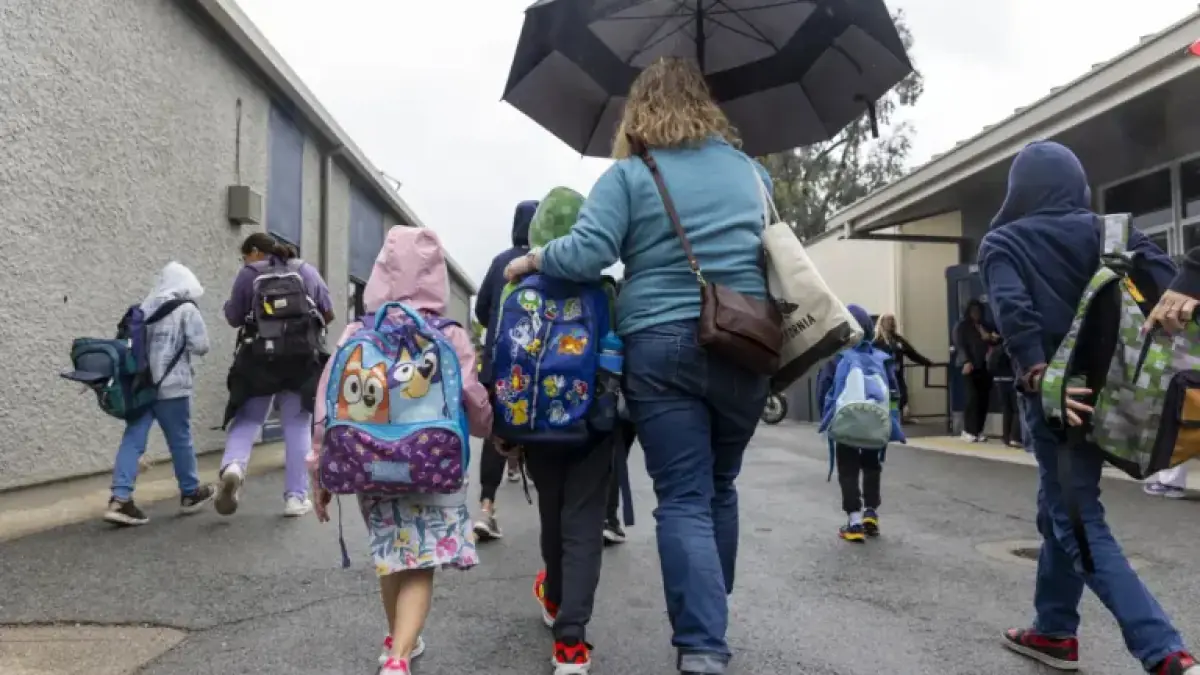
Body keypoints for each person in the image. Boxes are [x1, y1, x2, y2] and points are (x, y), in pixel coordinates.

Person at [503, 56, 770, 675]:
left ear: (639, 111)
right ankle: (710, 612)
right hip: (747, 342)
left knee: (683, 495)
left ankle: (702, 645)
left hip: (661, 343)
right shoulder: (752, 173)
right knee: (720, 486)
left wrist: (534, 258)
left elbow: (587, 252)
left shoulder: (630, 175)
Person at [979, 140, 1197, 675]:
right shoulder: (1112, 232)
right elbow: (1166, 286)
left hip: (1060, 401)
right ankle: (1054, 630)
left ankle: (1165, 652)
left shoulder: (1003, 240)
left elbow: (1013, 310)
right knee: (1058, 507)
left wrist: (1037, 372)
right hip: (1116, 394)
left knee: (1077, 521)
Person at [310, 226, 492, 674]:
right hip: (434, 465)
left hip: (367, 461)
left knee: (391, 555)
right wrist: (489, 428)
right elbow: (472, 398)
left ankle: (398, 639)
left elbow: (327, 403)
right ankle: (398, 658)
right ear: (436, 274)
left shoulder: (359, 331)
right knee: (420, 563)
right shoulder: (448, 334)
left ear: (382, 271)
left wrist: (319, 468)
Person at [218, 233, 334, 518]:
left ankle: (233, 466)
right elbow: (328, 312)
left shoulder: (250, 274)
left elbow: (234, 317)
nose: (244, 261)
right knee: (297, 425)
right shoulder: (305, 270)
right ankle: (295, 498)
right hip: (300, 358)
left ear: (255, 251)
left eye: (244, 255)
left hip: (259, 357)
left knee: (247, 419)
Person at [104, 262, 215, 526]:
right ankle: (190, 493)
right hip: (173, 386)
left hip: (142, 385)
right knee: (180, 440)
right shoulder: (186, 309)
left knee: (133, 439)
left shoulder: (145, 307)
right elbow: (201, 346)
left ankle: (119, 499)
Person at [472, 200, 539, 540]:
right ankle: (554, 518)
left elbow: (481, 310)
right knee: (543, 431)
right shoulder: (547, 261)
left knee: (496, 434)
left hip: (499, 363)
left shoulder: (501, 262)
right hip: (539, 366)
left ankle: (486, 508)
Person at [817, 304, 900, 543]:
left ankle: (854, 521)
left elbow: (824, 390)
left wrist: (826, 419)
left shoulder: (838, 358)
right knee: (872, 465)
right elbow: (894, 392)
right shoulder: (881, 358)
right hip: (875, 423)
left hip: (846, 424)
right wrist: (892, 421)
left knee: (848, 468)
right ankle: (871, 513)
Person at [954, 299, 1000, 442]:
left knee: (983, 399)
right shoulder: (962, 326)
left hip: (985, 366)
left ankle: (979, 430)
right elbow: (960, 345)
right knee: (972, 398)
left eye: (978, 311)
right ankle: (968, 429)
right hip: (970, 366)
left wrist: (991, 337)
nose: (976, 314)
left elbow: (997, 339)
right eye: (973, 311)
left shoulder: (986, 325)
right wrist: (966, 361)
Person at [872, 313, 932, 423]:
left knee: (902, 396)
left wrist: (926, 362)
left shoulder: (898, 340)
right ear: (882, 323)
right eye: (888, 321)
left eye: (892, 321)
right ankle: (887, 418)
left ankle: (894, 416)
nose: (891, 323)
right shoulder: (877, 342)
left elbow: (911, 353)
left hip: (897, 374)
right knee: (887, 396)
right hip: (884, 375)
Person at [987, 339, 1024, 449]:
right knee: (1017, 409)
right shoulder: (1013, 348)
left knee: (1006, 409)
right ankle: (1015, 437)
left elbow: (990, 366)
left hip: (999, 381)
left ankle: (1006, 437)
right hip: (1012, 380)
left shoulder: (996, 349)